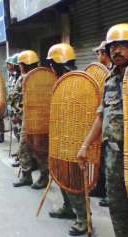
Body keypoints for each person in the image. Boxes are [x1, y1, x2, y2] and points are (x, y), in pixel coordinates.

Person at [77, 23, 128, 237]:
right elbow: (101, 116)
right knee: (118, 208)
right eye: (112, 46)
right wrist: (85, 146)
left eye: (122, 45)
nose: (116, 50)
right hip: (113, 156)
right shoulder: (110, 78)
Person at [45, 43, 88, 236]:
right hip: (61, 138)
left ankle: (83, 219)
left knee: (74, 181)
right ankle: (68, 208)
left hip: (75, 140)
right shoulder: (61, 80)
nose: (51, 68)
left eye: (52, 64)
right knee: (61, 177)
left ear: (57, 63)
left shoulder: (77, 81)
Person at [12, 50, 49, 189]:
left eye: (20, 64)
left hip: (30, 118)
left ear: (24, 64)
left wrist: (17, 112)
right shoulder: (44, 75)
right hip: (40, 118)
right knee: (38, 148)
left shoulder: (24, 78)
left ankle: (34, 176)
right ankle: (36, 176)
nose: (19, 66)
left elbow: (14, 97)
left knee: (27, 147)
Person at [91, 40, 111, 208]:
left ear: (104, 53)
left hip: (113, 127)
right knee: (101, 159)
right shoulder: (105, 73)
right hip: (103, 123)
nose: (98, 56)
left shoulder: (114, 72)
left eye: (99, 53)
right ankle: (100, 188)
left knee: (110, 162)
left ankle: (111, 194)